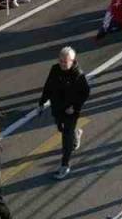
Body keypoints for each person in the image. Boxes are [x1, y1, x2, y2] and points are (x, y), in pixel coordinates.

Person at [38, 46, 91, 180]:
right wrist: (42, 102)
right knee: (61, 128)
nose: (62, 64)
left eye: (65, 62)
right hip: (57, 107)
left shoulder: (78, 74)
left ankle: (65, 165)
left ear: (72, 61)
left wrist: (75, 107)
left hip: (70, 111)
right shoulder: (55, 69)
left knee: (66, 138)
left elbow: (85, 93)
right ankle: (76, 133)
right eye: (60, 60)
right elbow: (48, 86)